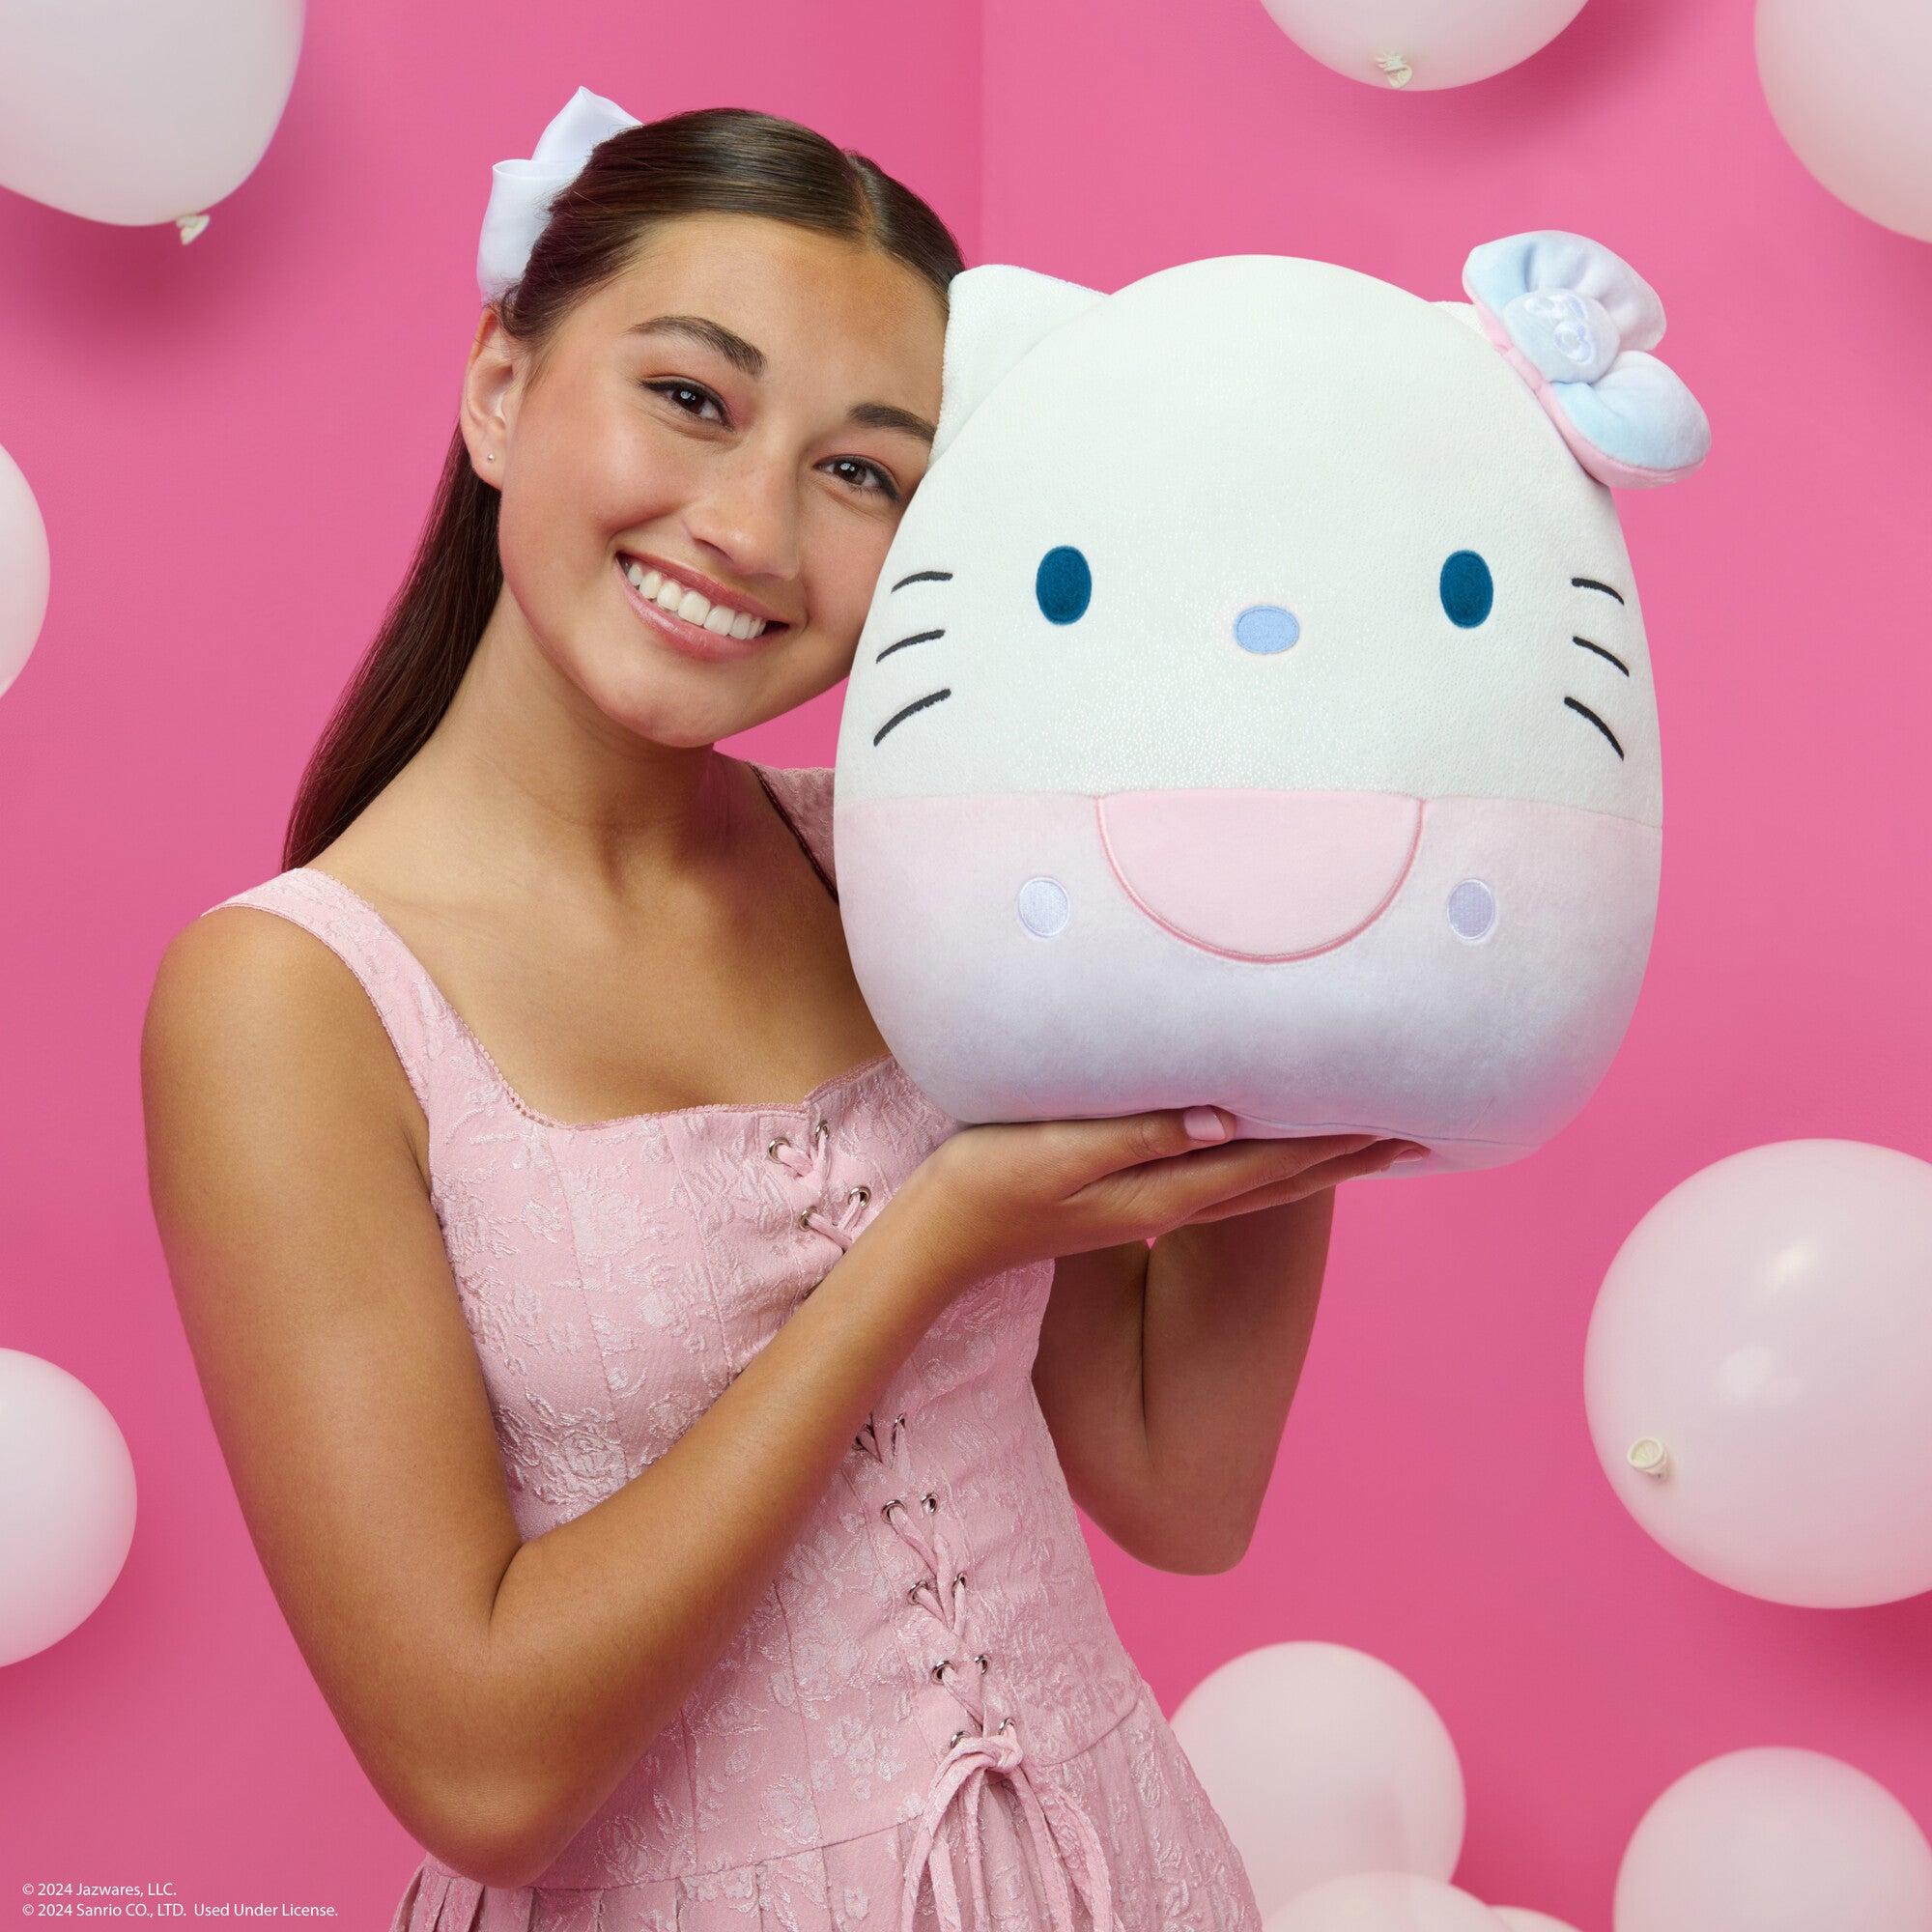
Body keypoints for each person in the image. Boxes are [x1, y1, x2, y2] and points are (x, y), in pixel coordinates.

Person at [141, 91, 1415, 1932]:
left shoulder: (910, 877)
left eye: (864, 474)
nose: (750, 528)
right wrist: (928, 1246)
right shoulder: (290, 998)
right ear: (499, 386)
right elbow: (484, 1776)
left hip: (1114, 1872)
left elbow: (1178, 1487)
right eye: (691, 396)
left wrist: (1290, 975)